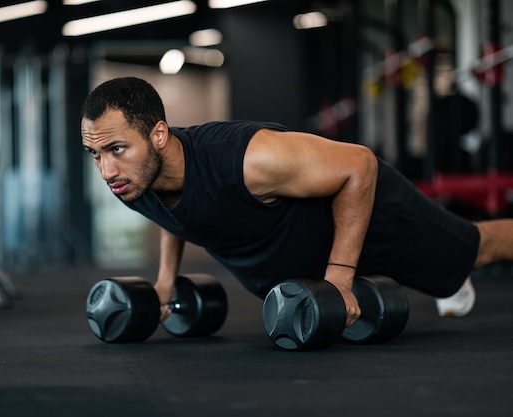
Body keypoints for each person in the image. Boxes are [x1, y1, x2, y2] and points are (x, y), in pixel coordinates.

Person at [80, 76, 513, 328]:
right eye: (95, 154)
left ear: (158, 135)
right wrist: (164, 281)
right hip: (308, 256)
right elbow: (175, 212)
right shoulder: (137, 178)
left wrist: (340, 280)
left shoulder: (247, 158)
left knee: (476, 250)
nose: (106, 170)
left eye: (116, 149)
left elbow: (359, 166)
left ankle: (451, 272)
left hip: (368, 215)